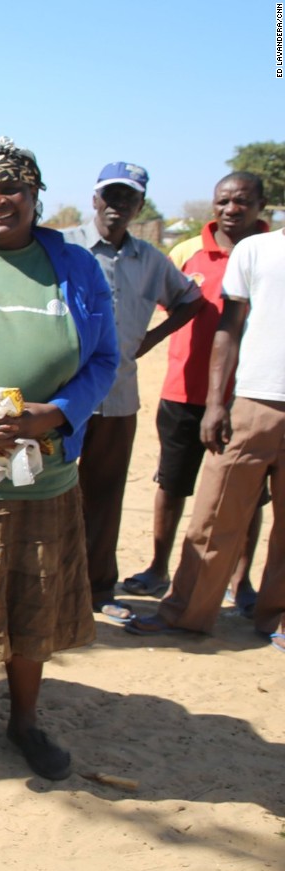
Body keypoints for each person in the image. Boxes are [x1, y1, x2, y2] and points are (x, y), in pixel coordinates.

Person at [0, 138, 116, 781]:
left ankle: (24, 721)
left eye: (13, 189)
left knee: (31, 601)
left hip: (45, 471)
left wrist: (56, 413)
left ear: (35, 197)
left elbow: (106, 359)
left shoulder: (77, 268)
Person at [122, 217, 285, 649]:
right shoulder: (257, 251)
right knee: (215, 515)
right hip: (254, 400)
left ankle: (278, 617)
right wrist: (217, 402)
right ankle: (187, 613)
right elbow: (228, 328)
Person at [61, 163, 201, 611]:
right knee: (47, 490)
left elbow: (191, 300)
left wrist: (150, 340)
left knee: (104, 495)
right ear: (94, 199)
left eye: (128, 198)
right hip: (60, 398)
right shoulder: (64, 247)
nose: (117, 206)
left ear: (140, 205)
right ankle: (51, 587)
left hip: (117, 396)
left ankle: (97, 589)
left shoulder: (150, 260)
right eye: (110, 196)